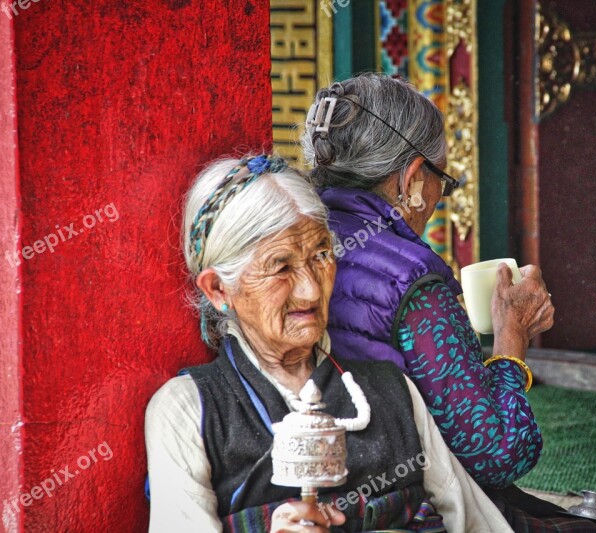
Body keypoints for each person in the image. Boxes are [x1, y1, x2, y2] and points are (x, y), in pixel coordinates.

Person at [145, 154, 514, 532]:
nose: (309, 290)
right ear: (219, 289)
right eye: (281, 266)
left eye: (322, 255)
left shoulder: (391, 389)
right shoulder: (188, 412)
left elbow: (474, 522)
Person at [301, 74, 554, 491]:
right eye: (442, 181)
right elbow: (497, 455)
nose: (438, 197)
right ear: (413, 178)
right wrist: (513, 334)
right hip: (394, 505)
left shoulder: (289, 238)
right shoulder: (413, 282)